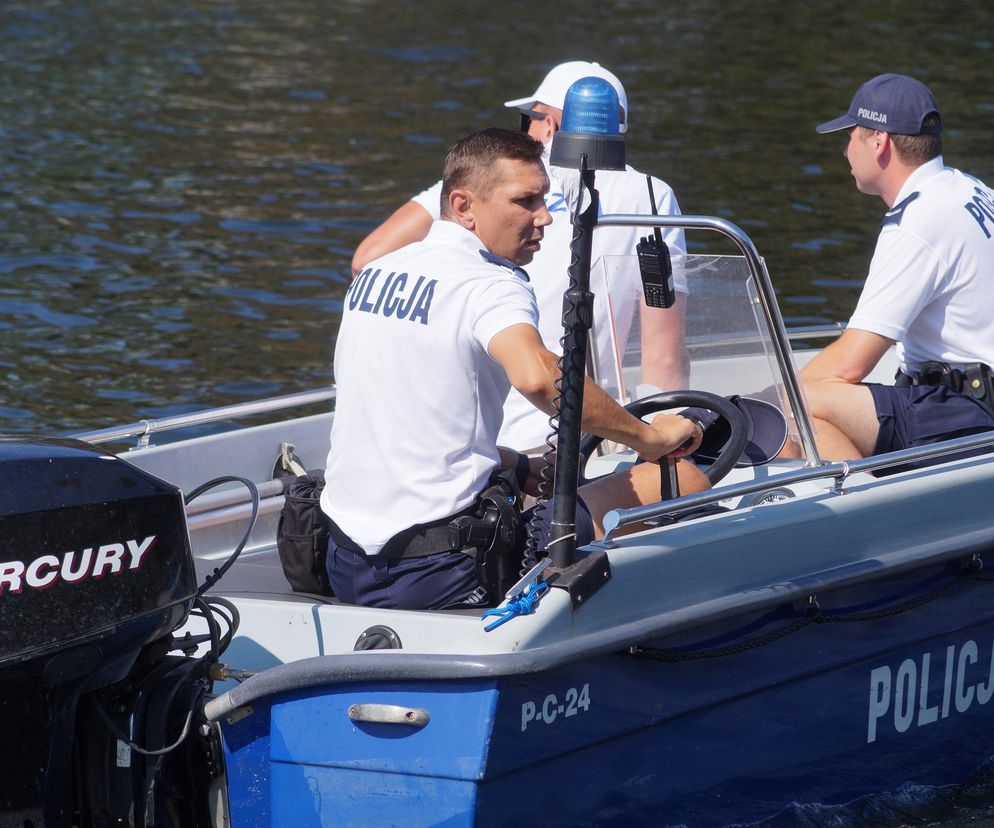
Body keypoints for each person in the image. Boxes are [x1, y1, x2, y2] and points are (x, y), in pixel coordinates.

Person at [321, 128, 708, 610]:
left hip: (345, 563)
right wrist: (648, 439)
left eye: (545, 198)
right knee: (679, 478)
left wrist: (520, 465)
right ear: (463, 207)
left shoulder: (377, 273)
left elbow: (415, 421)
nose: (544, 217)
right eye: (526, 201)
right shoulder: (488, 283)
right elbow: (539, 377)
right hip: (441, 572)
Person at [351, 61, 690, 451]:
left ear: (550, 125)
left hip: (464, 434)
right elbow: (662, 361)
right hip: (574, 434)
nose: (541, 215)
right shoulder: (650, 194)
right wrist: (662, 440)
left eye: (526, 118)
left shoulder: (484, 178)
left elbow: (369, 259)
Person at [792, 73, 994, 461]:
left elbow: (852, 362)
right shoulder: (968, 188)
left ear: (879, 142)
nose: (845, 150)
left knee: (797, 407)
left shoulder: (918, 219)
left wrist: (762, 403)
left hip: (969, 411)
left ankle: (865, 516)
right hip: (965, 397)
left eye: (850, 135)